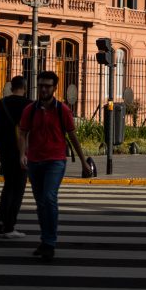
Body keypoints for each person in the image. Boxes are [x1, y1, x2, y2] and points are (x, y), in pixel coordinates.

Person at [19, 70, 90, 261]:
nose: (43, 89)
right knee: (41, 203)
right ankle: (45, 240)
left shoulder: (62, 110)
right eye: (41, 85)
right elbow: (23, 133)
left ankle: (49, 242)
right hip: (34, 161)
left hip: (55, 161)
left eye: (47, 86)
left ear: (54, 88)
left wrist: (84, 162)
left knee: (49, 198)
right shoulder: (30, 110)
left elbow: (73, 136)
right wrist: (22, 155)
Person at [0, 75, 31, 238]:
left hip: (6, 151)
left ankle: (1, 220)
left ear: (11, 87)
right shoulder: (29, 105)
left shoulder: (1, 104)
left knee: (8, 186)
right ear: (25, 87)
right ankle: (10, 225)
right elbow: (31, 131)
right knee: (19, 188)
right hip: (22, 152)